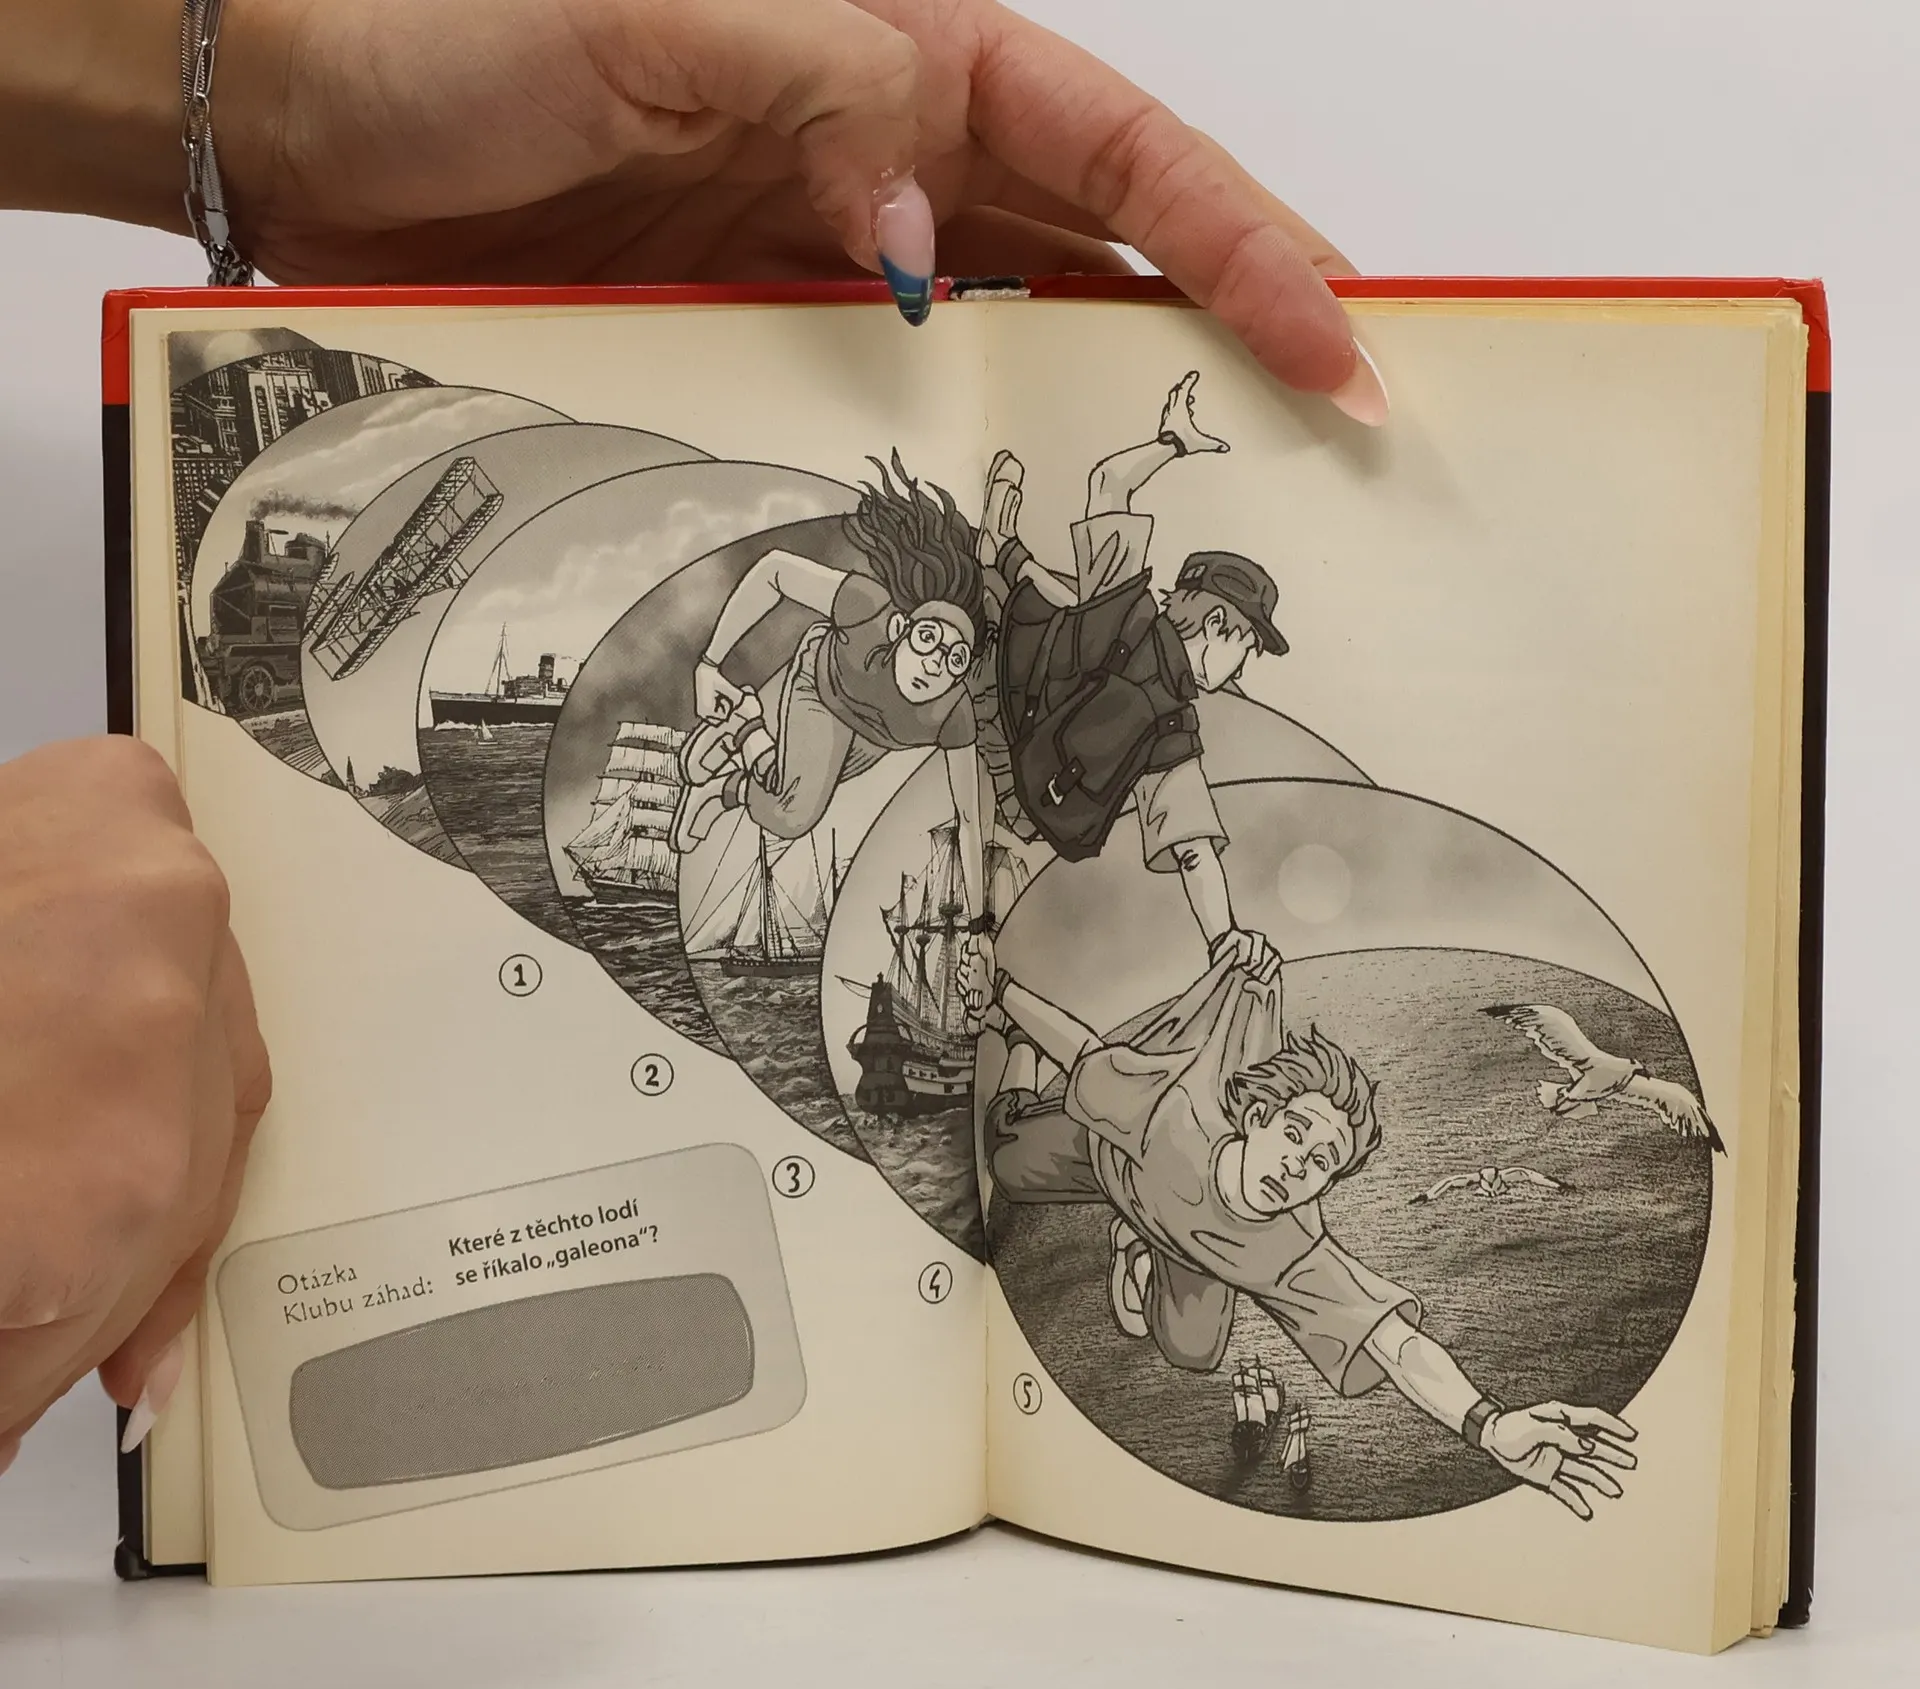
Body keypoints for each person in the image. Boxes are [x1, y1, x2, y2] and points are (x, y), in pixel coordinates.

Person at [0, 0, 1383, 1472]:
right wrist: (733, 682)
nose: (1224, 656)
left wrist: (279, 106)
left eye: (1237, 648)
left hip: (903, 794)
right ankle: (752, 839)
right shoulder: (942, 624)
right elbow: (862, 587)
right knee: (779, 840)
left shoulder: (1082, 708)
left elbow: (1140, 811)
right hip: (811, 733)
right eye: (1226, 632)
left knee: (832, 868)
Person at [966, 947, 1639, 1519]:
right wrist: (1001, 991)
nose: (1298, 1165)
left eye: (1322, 1162)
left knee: (1191, 1352)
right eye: (1295, 1135)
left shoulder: (1293, 1252)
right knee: (1005, 1161)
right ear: (1257, 1118)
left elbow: (1397, 1344)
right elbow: (1084, 1051)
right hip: (1110, 1158)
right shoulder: (1174, 1120)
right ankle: (1018, 1069)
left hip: (1182, 1247)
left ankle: (1135, 1247)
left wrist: (1490, 1426)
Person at [977, 371, 1284, 968]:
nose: (1244, 666)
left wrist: (1171, 444)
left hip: (1006, 705)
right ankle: (1002, 551)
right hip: (1031, 802)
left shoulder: (1129, 601)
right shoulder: (1174, 727)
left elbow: (1108, 482)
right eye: (1247, 645)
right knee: (1073, 601)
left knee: (1077, 601)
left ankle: (1003, 551)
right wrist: (1224, 938)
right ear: (1218, 624)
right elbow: (1194, 850)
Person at [671, 456, 994, 954]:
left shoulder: (954, 713)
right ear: (900, 629)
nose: (934, 664)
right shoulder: (867, 607)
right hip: (822, 686)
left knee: (790, 787)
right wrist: (710, 664)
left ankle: (739, 735)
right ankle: (726, 776)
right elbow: (774, 571)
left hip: (874, 738)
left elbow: (969, 817)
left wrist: (978, 926)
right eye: (928, 638)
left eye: (954, 659)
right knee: (794, 815)